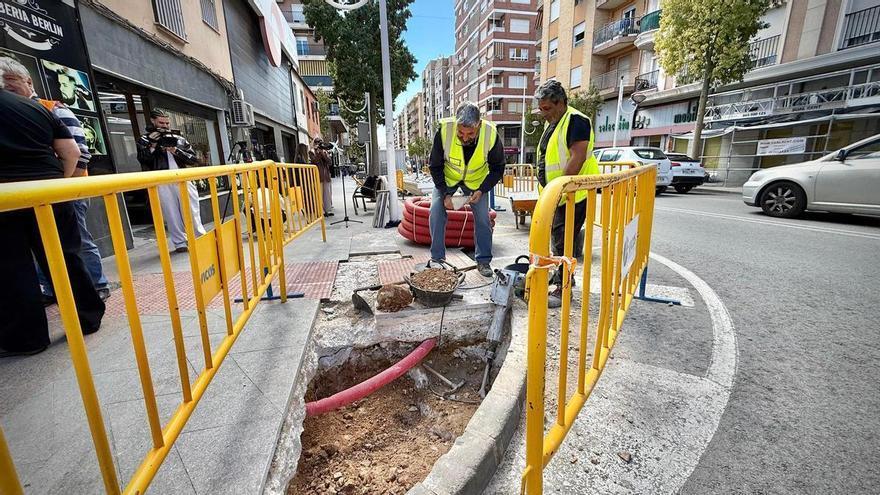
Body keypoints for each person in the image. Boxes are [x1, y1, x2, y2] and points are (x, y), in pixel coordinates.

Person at [0, 73, 105, 357]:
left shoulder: (49, 106)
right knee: (65, 255)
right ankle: (88, 316)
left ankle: (28, 337)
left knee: (14, 267)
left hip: (7, 198)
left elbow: (76, 151)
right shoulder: (37, 108)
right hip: (49, 192)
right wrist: (58, 185)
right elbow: (70, 151)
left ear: (27, 81)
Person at [534, 79, 599, 308]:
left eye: (548, 109)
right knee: (558, 240)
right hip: (558, 195)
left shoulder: (576, 120)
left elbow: (577, 157)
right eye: (541, 109)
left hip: (573, 195)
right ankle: (561, 278)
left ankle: (564, 289)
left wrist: (559, 191)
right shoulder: (554, 122)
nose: (544, 113)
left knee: (564, 244)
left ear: (561, 103)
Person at [428, 102, 505, 278]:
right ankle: (437, 260)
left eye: (470, 133)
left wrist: (482, 189)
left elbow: (498, 168)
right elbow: (435, 165)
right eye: (461, 132)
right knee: (436, 212)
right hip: (448, 180)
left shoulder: (490, 134)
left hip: (477, 183)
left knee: (483, 220)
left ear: (478, 124)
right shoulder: (444, 131)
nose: (464, 137)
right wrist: (445, 193)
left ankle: (483, 261)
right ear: (456, 123)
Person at [137, 109, 206, 253]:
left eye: (167, 123)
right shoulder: (145, 139)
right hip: (161, 178)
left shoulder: (179, 138)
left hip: (182, 176)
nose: (165, 125)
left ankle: (199, 237)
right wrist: (153, 144)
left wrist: (176, 150)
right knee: (170, 212)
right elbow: (143, 160)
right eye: (161, 122)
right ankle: (180, 242)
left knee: (192, 209)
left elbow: (194, 159)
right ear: (153, 121)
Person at [311, 137, 334, 217]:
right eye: (317, 142)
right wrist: (318, 153)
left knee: (327, 193)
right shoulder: (312, 152)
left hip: (326, 175)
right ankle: (320, 211)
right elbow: (315, 161)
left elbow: (330, 162)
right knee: (319, 194)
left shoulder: (325, 151)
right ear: (314, 143)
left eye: (320, 142)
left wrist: (323, 153)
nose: (319, 143)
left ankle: (328, 210)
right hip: (318, 176)